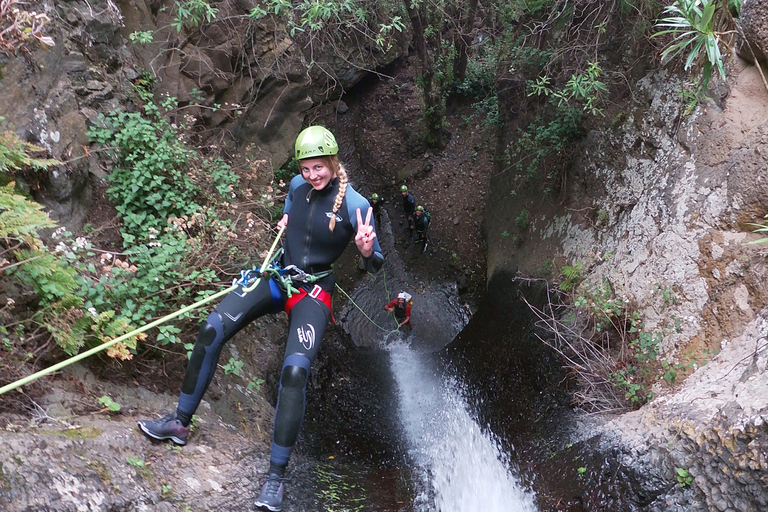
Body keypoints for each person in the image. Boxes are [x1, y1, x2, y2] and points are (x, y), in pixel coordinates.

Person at [137, 125, 383, 512]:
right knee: (211, 328)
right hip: (278, 277)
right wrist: (286, 221)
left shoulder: (356, 204)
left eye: (319, 167)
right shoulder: (295, 187)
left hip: (312, 293)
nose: (312, 175)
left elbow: (375, 264)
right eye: (306, 168)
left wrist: (367, 250)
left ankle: (275, 479)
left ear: (333, 164)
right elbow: (292, 215)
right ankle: (179, 422)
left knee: (295, 373)